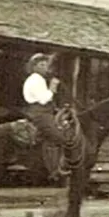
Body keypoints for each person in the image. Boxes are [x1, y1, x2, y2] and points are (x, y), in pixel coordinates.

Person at [22, 52, 67, 182]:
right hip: (39, 114)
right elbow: (43, 99)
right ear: (34, 67)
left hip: (45, 112)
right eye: (41, 65)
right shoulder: (35, 79)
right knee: (58, 137)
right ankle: (54, 170)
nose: (45, 67)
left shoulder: (39, 79)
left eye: (46, 65)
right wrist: (52, 87)